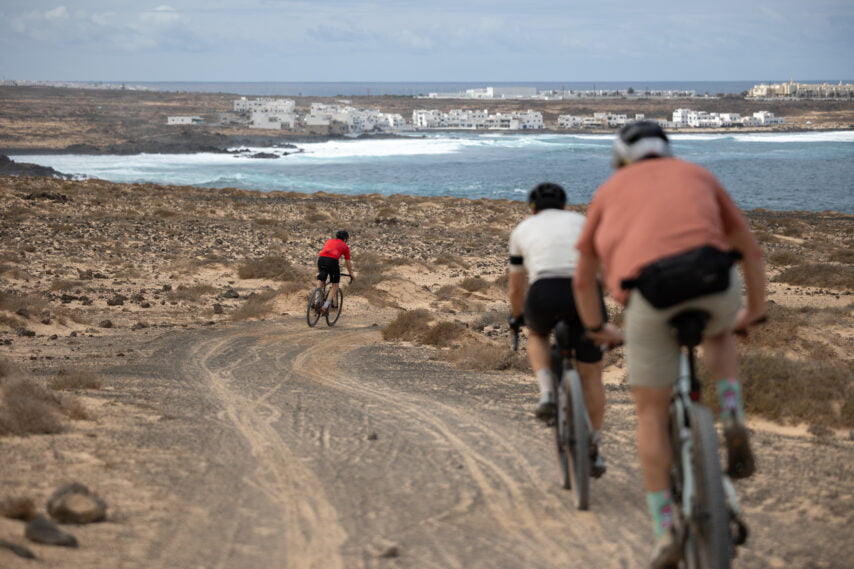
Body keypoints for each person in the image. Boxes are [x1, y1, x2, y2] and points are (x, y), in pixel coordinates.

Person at [572, 121, 766, 569]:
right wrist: (753, 311)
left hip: (651, 297)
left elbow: (584, 276)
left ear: (622, 156)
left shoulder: (609, 190)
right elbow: (750, 250)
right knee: (720, 329)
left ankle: (664, 528)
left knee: (651, 414)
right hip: (714, 282)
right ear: (667, 150)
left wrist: (597, 326)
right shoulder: (699, 175)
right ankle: (732, 412)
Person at [508, 182, 608, 477]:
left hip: (544, 292)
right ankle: (594, 445)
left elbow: (516, 287)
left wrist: (516, 316)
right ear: (565, 206)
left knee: (537, 333)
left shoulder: (522, 229)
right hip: (583, 292)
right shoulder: (581, 222)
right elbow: (601, 270)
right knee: (592, 376)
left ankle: (547, 393)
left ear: (532, 208)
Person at [316, 230, 355, 313]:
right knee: (335, 285)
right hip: (332, 261)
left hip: (321, 259)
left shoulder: (329, 241)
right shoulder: (345, 246)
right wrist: (351, 273)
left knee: (321, 278)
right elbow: (347, 262)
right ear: (345, 239)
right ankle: (325, 306)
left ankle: (316, 300)